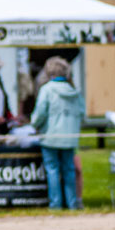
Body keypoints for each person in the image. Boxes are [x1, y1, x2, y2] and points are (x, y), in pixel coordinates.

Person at [31, 56, 85, 210]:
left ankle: (55, 204)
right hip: (70, 137)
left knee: (53, 171)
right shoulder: (74, 90)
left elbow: (40, 114)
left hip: (50, 137)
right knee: (69, 170)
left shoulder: (46, 90)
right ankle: (72, 203)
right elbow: (82, 113)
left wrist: (34, 125)